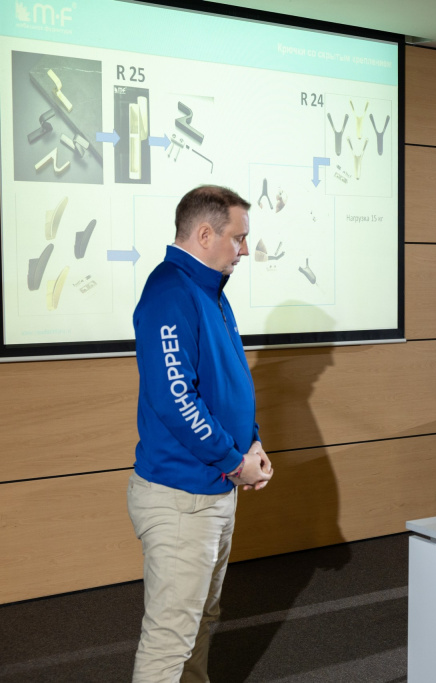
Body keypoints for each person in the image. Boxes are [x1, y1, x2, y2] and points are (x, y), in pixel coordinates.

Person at [127, 185, 273, 682]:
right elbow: (176, 400)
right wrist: (234, 461)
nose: (245, 250)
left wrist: (251, 443)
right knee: (171, 639)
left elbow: (227, 382)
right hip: (181, 499)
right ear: (205, 234)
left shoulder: (211, 291)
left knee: (200, 623)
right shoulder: (171, 292)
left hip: (213, 490)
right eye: (238, 238)